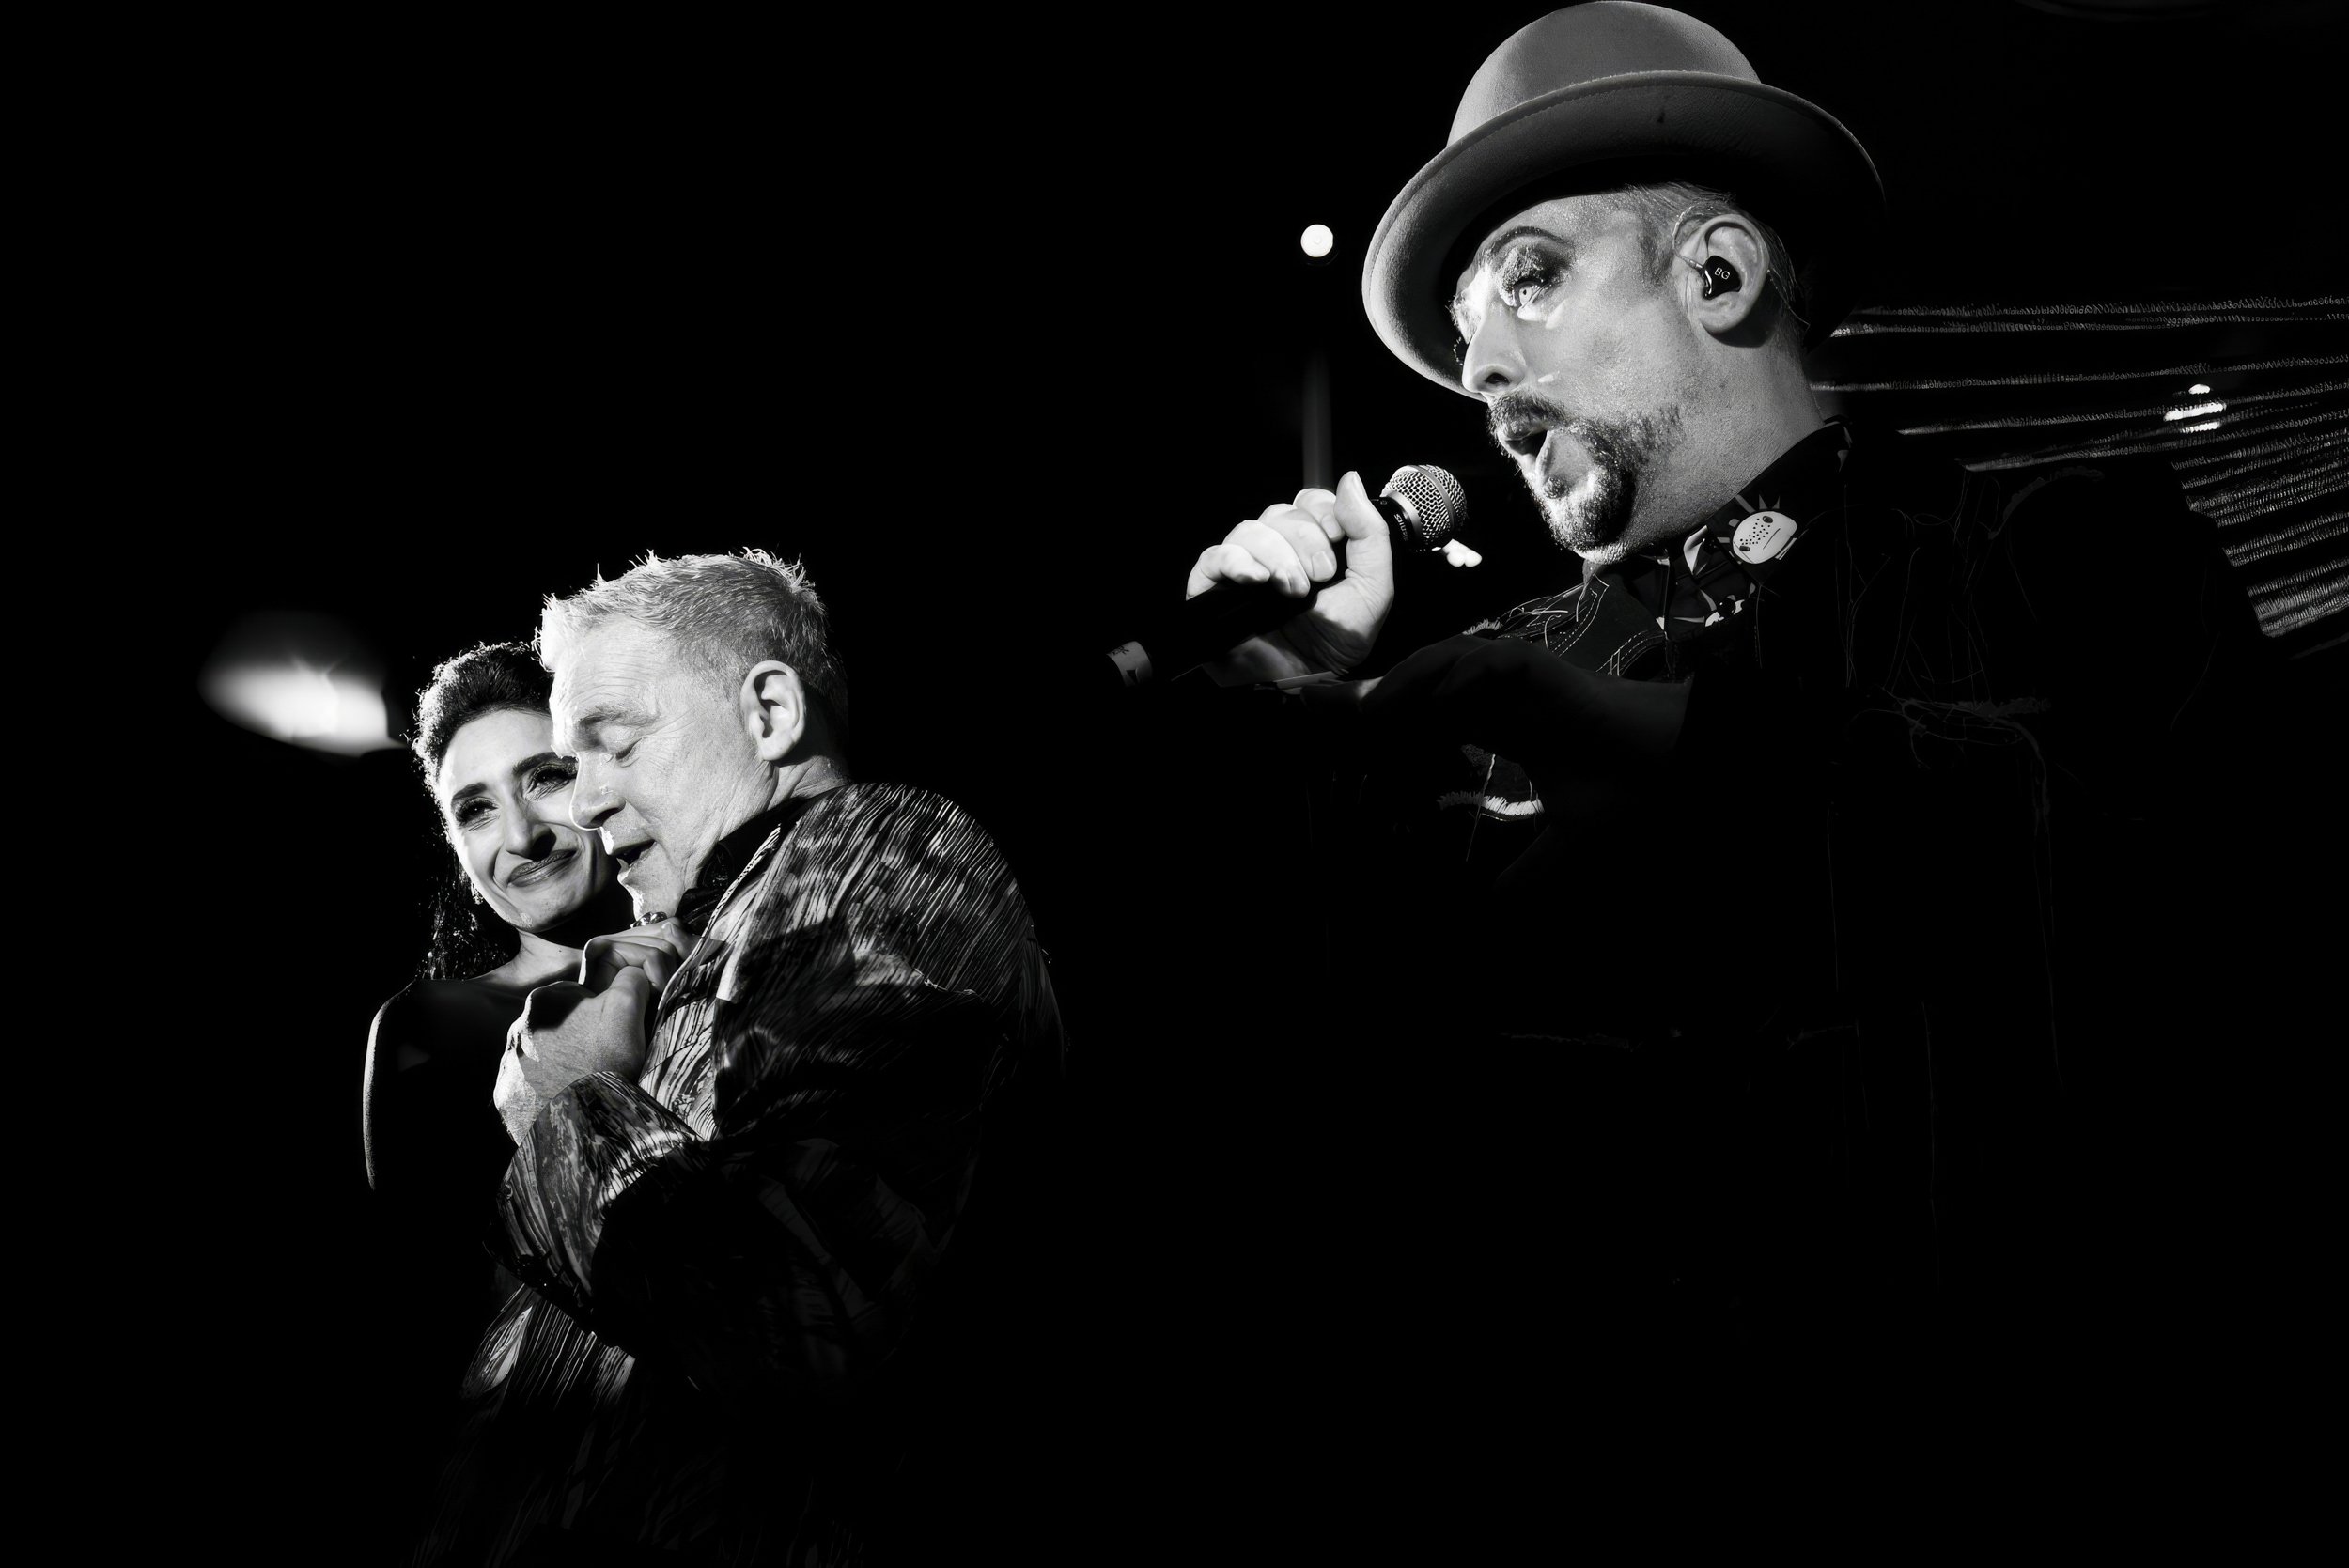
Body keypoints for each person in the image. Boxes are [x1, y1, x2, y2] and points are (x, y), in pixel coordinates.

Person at [1174, 1, 2279, 1489]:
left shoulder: (2049, 555)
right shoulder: (1477, 679)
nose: (1484, 380)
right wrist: (1282, 729)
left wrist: (1701, 763)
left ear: (1720, 268)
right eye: (1463, 341)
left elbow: (2209, 940)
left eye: (1531, 279)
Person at [411, 550, 1061, 1565]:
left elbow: (798, 1304)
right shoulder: (707, 947)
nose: (580, 807)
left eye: (609, 746)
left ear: (767, 713)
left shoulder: (875, 846)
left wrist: (570, 1107)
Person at [364, 643, 639, 1514]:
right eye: (475, 809)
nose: (519, 835)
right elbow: (420, 1322)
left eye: (545, 777)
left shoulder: (732, 949)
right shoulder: (429, 1027)